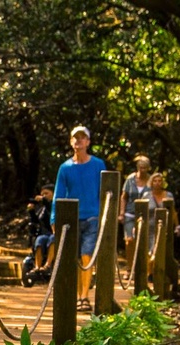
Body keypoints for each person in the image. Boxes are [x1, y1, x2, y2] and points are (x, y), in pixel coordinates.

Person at [51, 125, 107, 312]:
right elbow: (58, 194)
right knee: (74, 258)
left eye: (82, 137)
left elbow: (104, 192)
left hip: (93, 217)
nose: (79, 141)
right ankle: (77, 296)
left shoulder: (98, 165)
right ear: (71, 141)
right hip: (71, 218)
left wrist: (105, 216)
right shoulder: (65, 168)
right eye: (76, 137)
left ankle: (84, 296)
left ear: (88, 142)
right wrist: (54, 219)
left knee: (86, 255)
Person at [144, 171, 180, 269]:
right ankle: (151, 271)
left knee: (161, 250)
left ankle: (159, 271)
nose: (157, 183)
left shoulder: (168, 195)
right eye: (155, 181)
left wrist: (177, 226)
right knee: (150, 251)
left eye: (159, 181)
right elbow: (142, 212)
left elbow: (173, 211)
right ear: (151, 183)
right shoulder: (146, 195)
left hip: (164, 227)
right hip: (150, 228)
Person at [120, 155, 151, 268]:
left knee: (144, 241)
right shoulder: (130, 179)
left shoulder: (151, 180)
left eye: (145, 168)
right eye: (140, 167)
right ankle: (130, 267)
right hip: (130, 213)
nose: (142, 170)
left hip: (145, 214)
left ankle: (142, 268)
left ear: (148, 168)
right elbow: (124, 197)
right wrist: (121, 213)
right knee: (129, 240)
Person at [22, 185, 54, 285]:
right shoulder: (42, 209)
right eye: (42, 194)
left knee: (52, 238)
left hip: (55, 234)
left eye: (46, 193)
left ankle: (48, 265)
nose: (44, 196)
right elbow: (37, 222)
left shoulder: (56, 206)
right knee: (40, 239)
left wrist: (44, 201)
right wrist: (31, 211)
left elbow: (52, 211)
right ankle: (37, 267)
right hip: (45, 234)